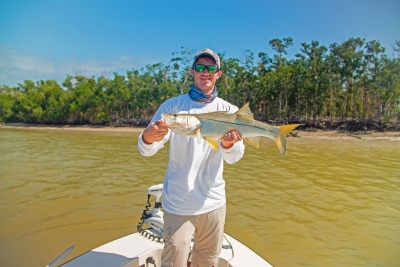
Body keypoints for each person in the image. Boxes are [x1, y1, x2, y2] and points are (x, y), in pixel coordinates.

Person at [138, 48, 245, 267]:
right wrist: (147, 137)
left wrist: (227, 144)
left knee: (207, 261)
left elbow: (235, 157)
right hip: (178, 203)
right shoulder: (172, 107)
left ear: (218, 74)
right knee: (173, 261)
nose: (205, 72)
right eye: (199, 67)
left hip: (214, 201)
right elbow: (147, 149)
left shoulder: (230, 110)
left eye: (211, 68)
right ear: (192, 72)